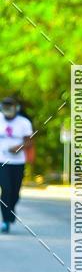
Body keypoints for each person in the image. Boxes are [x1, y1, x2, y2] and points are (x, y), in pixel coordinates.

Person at [0, 96, 33, 234]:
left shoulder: (23, 123)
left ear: (16, 108)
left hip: (18, 162)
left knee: (15, 192)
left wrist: (18, 148)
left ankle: (10, 211)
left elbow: (29, 142)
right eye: (5, 106)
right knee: (6, 189)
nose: (8, 109)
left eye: (10, 106)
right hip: (2, 161)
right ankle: (6, 220)